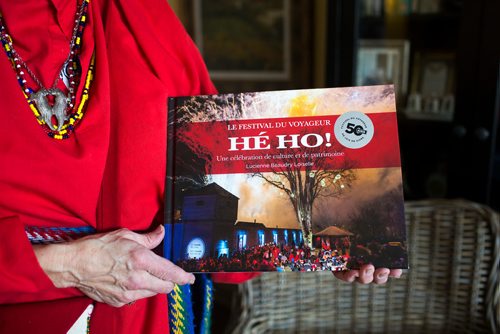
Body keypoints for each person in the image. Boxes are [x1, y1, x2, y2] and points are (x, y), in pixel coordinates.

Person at [0, 0, 401, 333]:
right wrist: (65, 266)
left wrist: (328, 245)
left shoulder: (140, 14)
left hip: (150, 319)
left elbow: (224, 171)